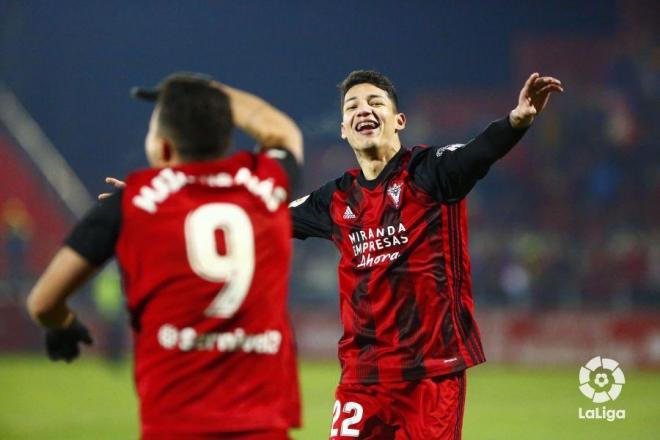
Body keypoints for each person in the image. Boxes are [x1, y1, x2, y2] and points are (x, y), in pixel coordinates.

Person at [27, 72, 304, 440]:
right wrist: (210, 94)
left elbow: (43, 302)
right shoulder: (266, 185)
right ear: (225, 138)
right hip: (262, 428)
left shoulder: (130, 205)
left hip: (175, 426)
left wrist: (62, 324)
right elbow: (281, 131)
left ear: (163, 148)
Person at [289, 70, 562, 439]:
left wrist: (517, 121)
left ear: (399, 121)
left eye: (375, 103)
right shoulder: (335, 199)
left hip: (430, 375)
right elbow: (269, 216)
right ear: (342, 128)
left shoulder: (430, 172)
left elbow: (477, 152)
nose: (363, 110)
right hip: (361, 378)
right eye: (352, 106)